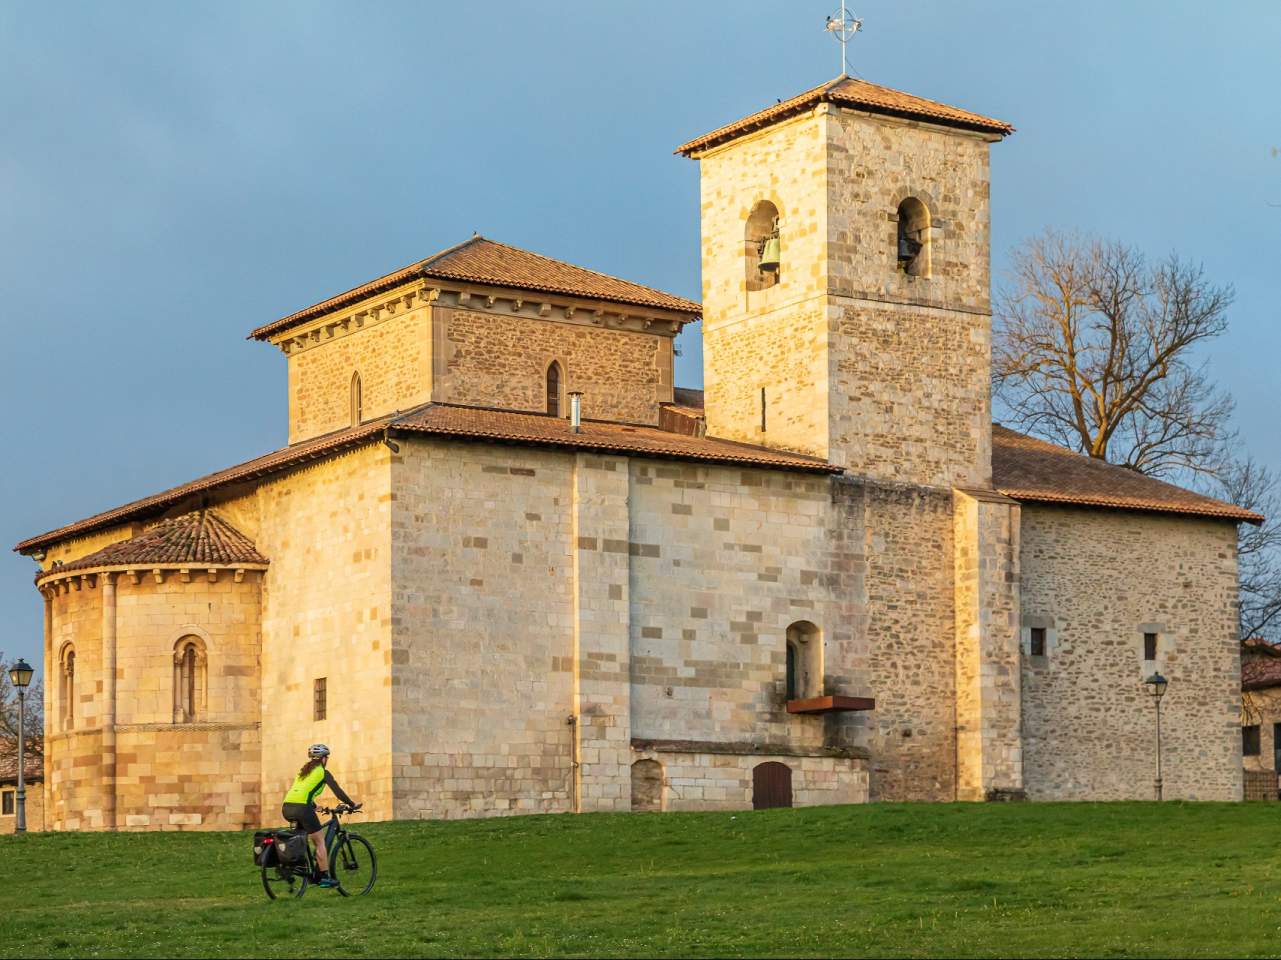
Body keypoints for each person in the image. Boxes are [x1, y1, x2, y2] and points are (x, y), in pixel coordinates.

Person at [282, 743, 360, 887]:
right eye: (327, 757)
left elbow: (302, 794)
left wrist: (317, 807)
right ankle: (323, 877)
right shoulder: (323, 772)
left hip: (287, 808)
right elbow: (338, 792)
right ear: (323, 759)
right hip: (302, 809)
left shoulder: (303, 773)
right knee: (320, 842)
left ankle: (298, 865)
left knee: (301, 837)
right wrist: (351, 804)